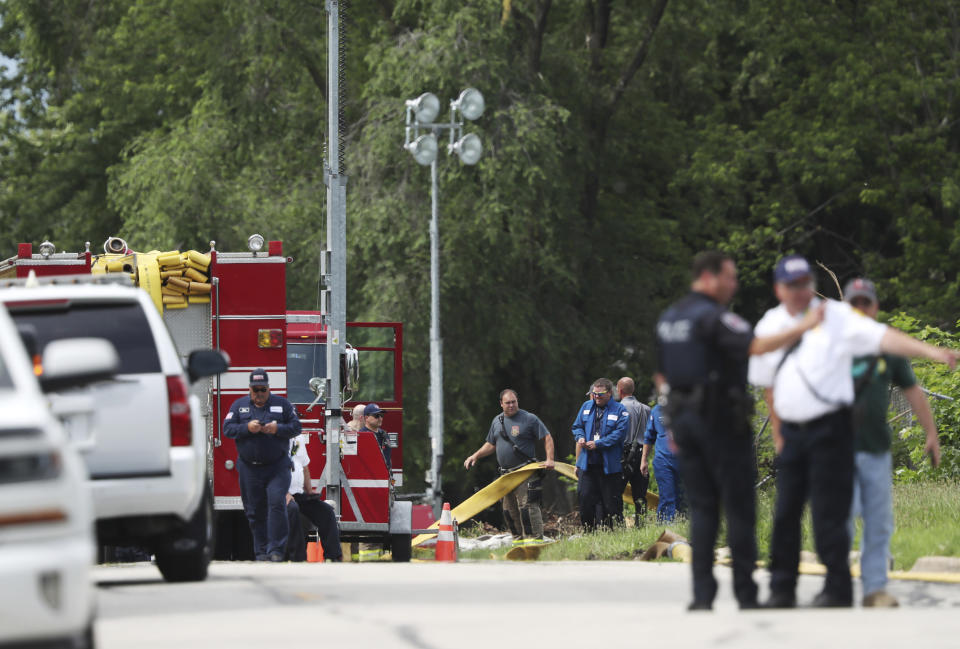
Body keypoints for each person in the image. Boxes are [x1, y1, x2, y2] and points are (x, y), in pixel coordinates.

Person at [749, 255, 958, 608]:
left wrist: (933, 352)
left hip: (832, 429)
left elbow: (886, 337)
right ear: (778, 289)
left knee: (830, 512)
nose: (799, 291)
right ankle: (782, 587)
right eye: (791, 285)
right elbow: (765, 376)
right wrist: (780, 431)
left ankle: (838, 588)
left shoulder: (839, 319)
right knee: (787, 510)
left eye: (804, 283)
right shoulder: (770, 323)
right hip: (795, 433)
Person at [656, 250, 824, 611]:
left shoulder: (669, 319)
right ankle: (746, 595)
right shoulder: (714, 318)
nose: (735, 285)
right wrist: (804, 327)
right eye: (730, 277)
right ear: (709, 277)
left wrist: (670, 421)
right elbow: (756, 346)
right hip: (721, 422)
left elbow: (661, 374)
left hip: (683, 422)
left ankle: (703, 596)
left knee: (702, 509)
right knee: (739, 508)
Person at [843, 278, 941, 607]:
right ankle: (837, 582)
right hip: (836, 448)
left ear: (875, 307)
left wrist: (931, 434)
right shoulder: (831, 342)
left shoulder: (888, 346)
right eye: (853, 303)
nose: (860, 309)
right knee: (841, 515)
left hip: (875, 448)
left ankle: (874, 589)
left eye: (865, 303)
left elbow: (912, 389)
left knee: (878, 520)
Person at [223, 368, 302, 562]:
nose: (259, 394)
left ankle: (276, 550)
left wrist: (278, 428)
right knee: (254, 510)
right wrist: (247, 428)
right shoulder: (239, 406)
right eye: (255, 390)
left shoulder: (282, 405)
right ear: (249, 389)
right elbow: (227, 429)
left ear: (268, 388)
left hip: (277, 467)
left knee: (276, 503)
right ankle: (261, 552)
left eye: (262, 389)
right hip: (249, 468)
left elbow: (296, 427)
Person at [464, 389, 555, 540]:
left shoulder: (529, 418)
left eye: (514, 402)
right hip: (506, 475)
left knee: (527, 508)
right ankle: (518, 541)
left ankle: (534, 541)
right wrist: (475, 455)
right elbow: (491, 444)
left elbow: (547, 437)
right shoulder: (496, 421)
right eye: (508, 403)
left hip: (525, 472)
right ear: (501, 404)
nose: (511, 405)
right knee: (509, 510)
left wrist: (549, 459)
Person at [572, 378, 629, 530]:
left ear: (610, 393)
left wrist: (598, 444)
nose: (597, 397)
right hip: (588, 466)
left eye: (601, 394)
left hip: (609, 467)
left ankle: (614, 533)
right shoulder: (586, 407)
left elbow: (619, 434)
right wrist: (580, 437)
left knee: (611, 505)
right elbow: (577, 426)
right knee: (585, 500)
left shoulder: (620, 410)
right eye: (594, 394)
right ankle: (588, 533)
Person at [284, 433, 343, 562]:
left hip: (298, 494)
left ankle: (333, 557)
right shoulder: (273, 437)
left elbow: (304, 467)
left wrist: (309, 492)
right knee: (293, 511)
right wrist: (284, 492)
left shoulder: (298, 438)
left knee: (326, 511)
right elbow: (270, 469)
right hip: (279, 494)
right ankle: (295, 558)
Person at [616, 377, 651, 526]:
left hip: (624, 456)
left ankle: (618, 524)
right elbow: (650, 435)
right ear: (633, 390)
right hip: (642, 454)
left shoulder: (618, 408)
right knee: (640, 494)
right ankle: (641, 524)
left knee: (616, 492)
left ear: (620, 390)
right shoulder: (646, 409)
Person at [640, 403, 684, 522]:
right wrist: (643, 460)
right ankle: (666, 526)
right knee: (667, 496)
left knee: (683, 496)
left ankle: (683, 523)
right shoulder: (657, 410)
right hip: (663, 461)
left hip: (686, 461)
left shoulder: (691, 406)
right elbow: (649, 437)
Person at [360, 403, 393, 474]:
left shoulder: (384, 434)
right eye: (376, 416)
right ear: (366, 418)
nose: (380, 418)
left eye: (381, 415)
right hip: (372, 477)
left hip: (386, 476)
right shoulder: (362, 435)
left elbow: (388, 457)